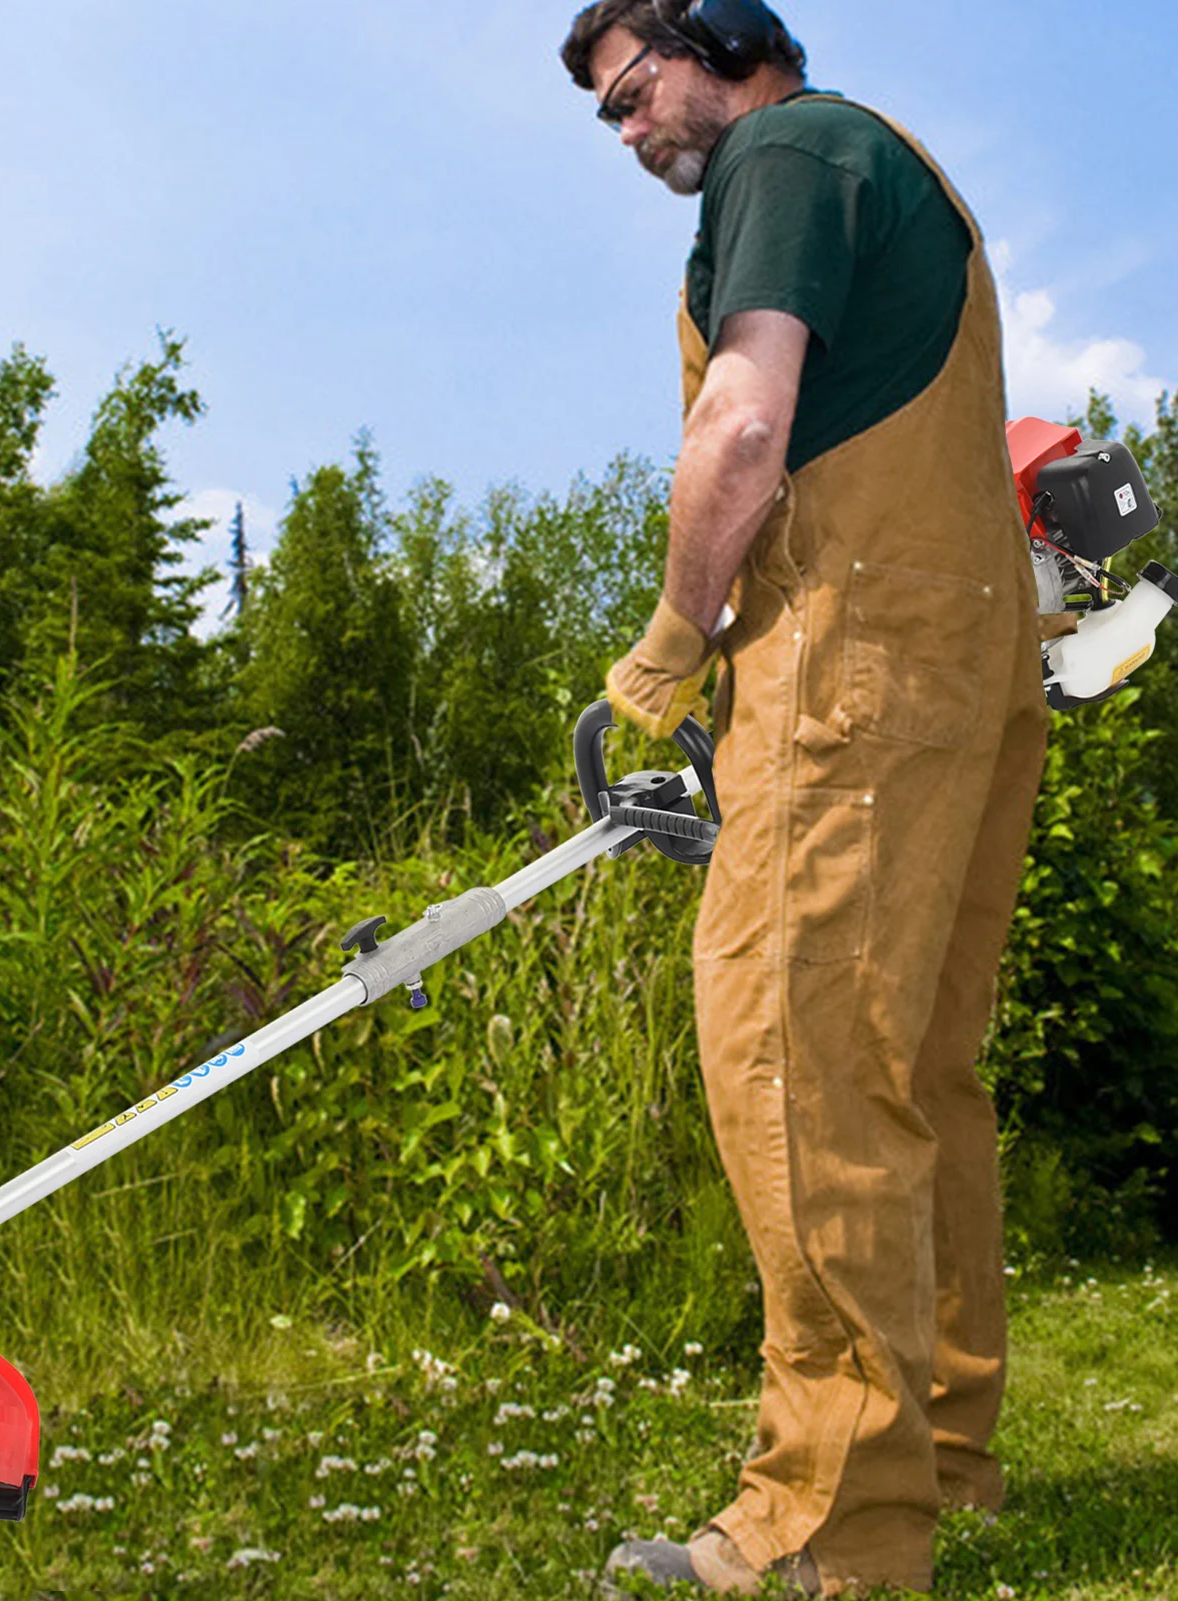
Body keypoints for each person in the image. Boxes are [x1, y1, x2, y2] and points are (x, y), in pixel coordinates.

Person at [558, 1, 1050, 1595]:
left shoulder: (781, 149)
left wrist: (665, 657)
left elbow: (748, 422)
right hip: (973, 672)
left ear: (725, 41)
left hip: (852, 669)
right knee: (918, 1075)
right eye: (610, 119)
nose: (633, 134)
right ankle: (945, 1455)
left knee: (798, 1061)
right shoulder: (907, 178)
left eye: (639, 90)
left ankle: (832, 1517)